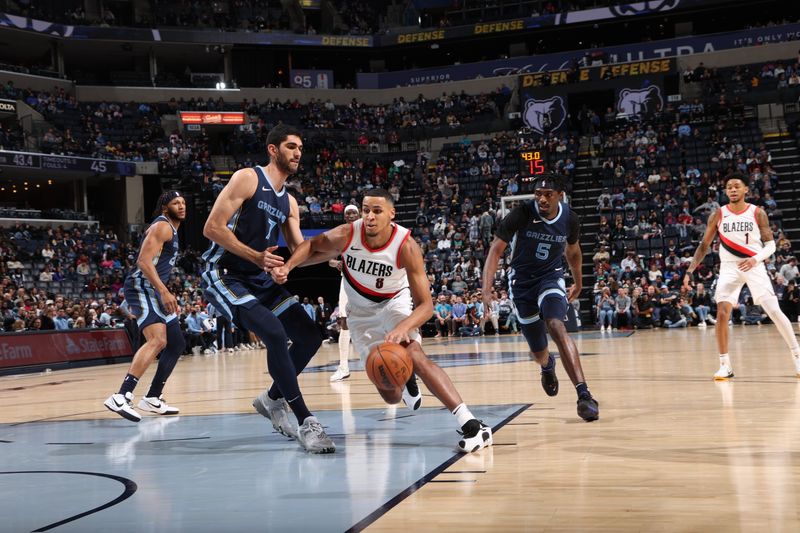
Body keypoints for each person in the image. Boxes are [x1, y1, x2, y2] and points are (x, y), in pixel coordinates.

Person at [271, 188, 492, 453]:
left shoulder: (406, 246)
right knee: (391, 394)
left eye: (377, 211)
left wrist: (403, 327)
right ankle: (406, 376)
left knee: (415, 354)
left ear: (391, 214)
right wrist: (288, 266)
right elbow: (311, 246)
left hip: (393, 303)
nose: (370, 217)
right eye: (366, 210)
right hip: (360, 315)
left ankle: (471, 423)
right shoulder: (348, 233)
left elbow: (427, 306)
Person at [201, 124, 334, 453]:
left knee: (310, 336)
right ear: (273, 150)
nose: (298, 153)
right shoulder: (248, 178)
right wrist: (255, 257)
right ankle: (307, 421)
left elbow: (300, 248)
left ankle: (272, 397)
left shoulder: (289, 202)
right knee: (274, 333)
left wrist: (328, 260)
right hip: (224, 272)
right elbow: (211, 227)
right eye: (291, 146)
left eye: (300, 147)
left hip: (259, 278)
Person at [482, 174, 599, 422]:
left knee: (556, 324)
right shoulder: (521, 213)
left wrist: (578, 282)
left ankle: (584, 394)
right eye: (538, 194)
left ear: (559, 195)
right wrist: (486, 289)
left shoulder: (570, 219)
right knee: (538, 352)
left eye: (548, 194)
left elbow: (573, 251)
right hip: (522, 282)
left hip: (551, 276)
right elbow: (496, 249)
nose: (542, 199)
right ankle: (547, 366)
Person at [684, 173, 800, 379]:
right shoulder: (718, 214)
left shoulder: (758, 212)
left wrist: (756, 259)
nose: (733, 190)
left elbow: (771, 245)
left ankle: (797, 355)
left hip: (753, 266)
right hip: (729, 267)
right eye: (729, 187)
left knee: (773, 310)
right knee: (721, 314)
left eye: (737, 186)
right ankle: (725, 365)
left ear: (746, 189)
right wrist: (689, 271)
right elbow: (704, 245)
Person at [103, 191, 187, 422]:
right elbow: (142, 261)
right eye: (175, 203)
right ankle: (121, 396)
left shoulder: (173, 229)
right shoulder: (163, 226)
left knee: (177, 343)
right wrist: (163, 290)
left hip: (154, 290)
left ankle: (152, 398)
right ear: (164, 208)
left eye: (183, 202)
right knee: (158, 340)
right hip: (142, 287)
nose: (181, 206)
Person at [329, 204, 361, 382]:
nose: (350, 215)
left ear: (359, 215)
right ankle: (343, 367)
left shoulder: (366, 231)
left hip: (366, 280)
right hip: (347, 280)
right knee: (344, 321)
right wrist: (336, 263)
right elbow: (328, 259)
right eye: (347, 213)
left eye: (353, 213)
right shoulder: (340, 234)